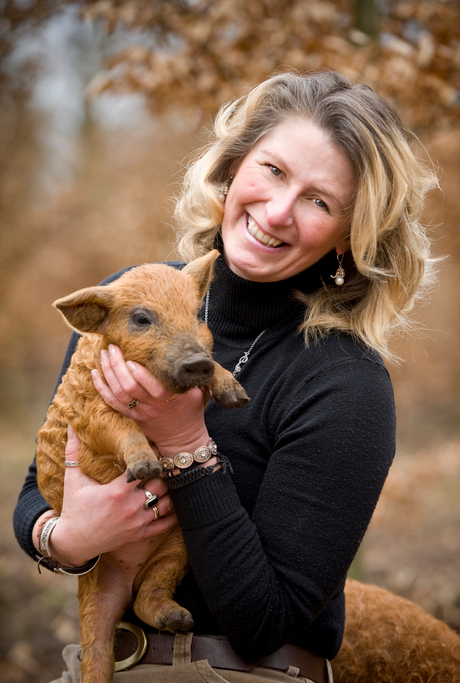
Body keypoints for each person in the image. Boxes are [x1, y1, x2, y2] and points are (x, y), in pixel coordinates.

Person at [13, 70, 438, 683]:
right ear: (233, 168)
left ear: (350, 237)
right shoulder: (137, 297)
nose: (279, 210)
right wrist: (69, 538)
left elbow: (269, 620)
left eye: (321, 201)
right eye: (273, 170)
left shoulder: (344, 384)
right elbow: (37, 487)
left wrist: (186, 443)